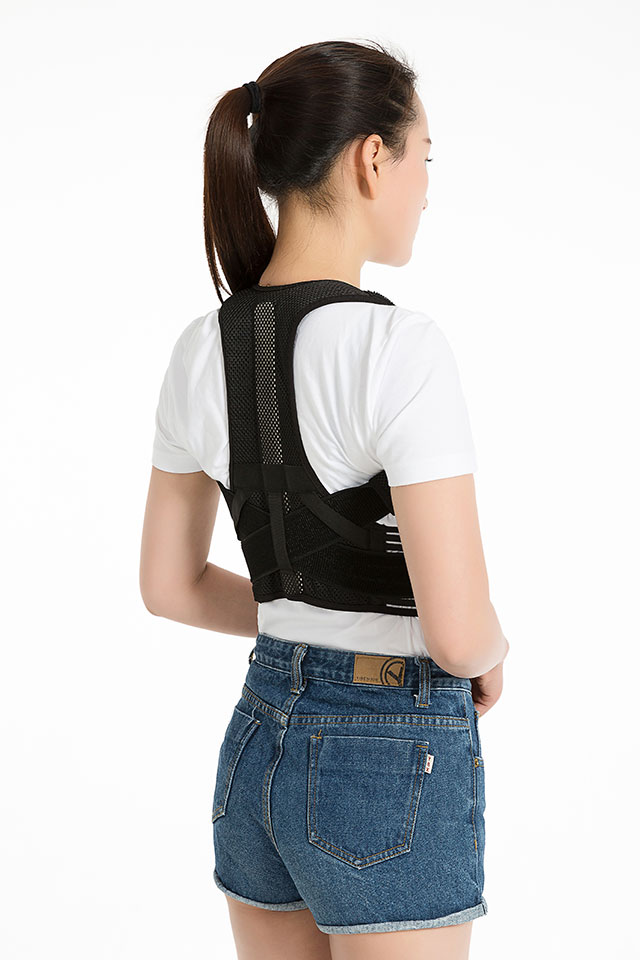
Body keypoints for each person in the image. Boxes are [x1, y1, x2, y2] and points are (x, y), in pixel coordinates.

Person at [140, 38, 509, 960]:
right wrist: (491, 651)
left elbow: (170, 586)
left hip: (256, 742)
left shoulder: (199, 350)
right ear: (372, 158)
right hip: (387, 755)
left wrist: (292, 625)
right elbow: (459, 633)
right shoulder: (399, 349)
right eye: (425, 158)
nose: (427, 187)